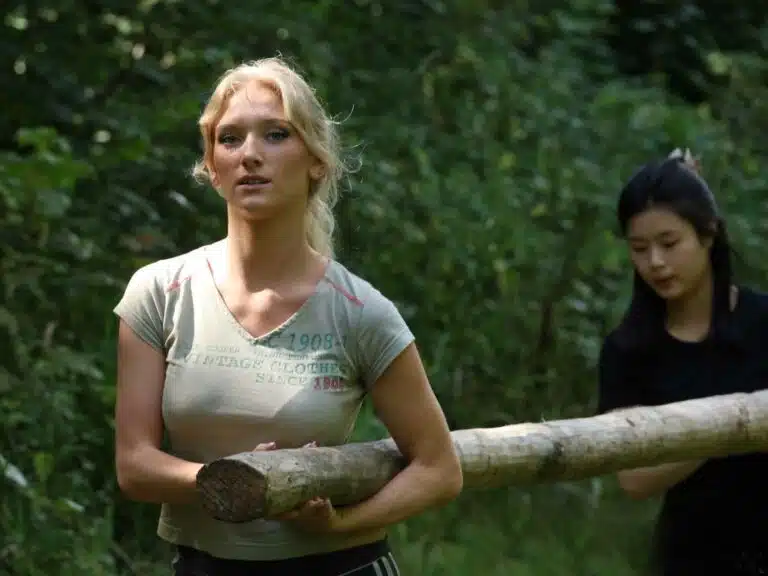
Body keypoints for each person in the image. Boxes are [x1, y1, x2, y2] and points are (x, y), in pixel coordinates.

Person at [112, 56, 463, 576]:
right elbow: (134, 465)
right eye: (230, 139)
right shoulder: (160, 292)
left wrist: (343, 525)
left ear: (316, 161)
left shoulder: (360, 312)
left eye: (276, 135)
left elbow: (439, 468)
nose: (250, 154)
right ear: (212, 166)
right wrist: (237, 479)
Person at [596, 147, 768, 575]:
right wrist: (729, 425)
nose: (655, 262)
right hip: (694, 557)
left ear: (708, 235)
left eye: (669, 244)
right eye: (640, 248)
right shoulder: (629, 350)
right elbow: (634, 478)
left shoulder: (763, 321)